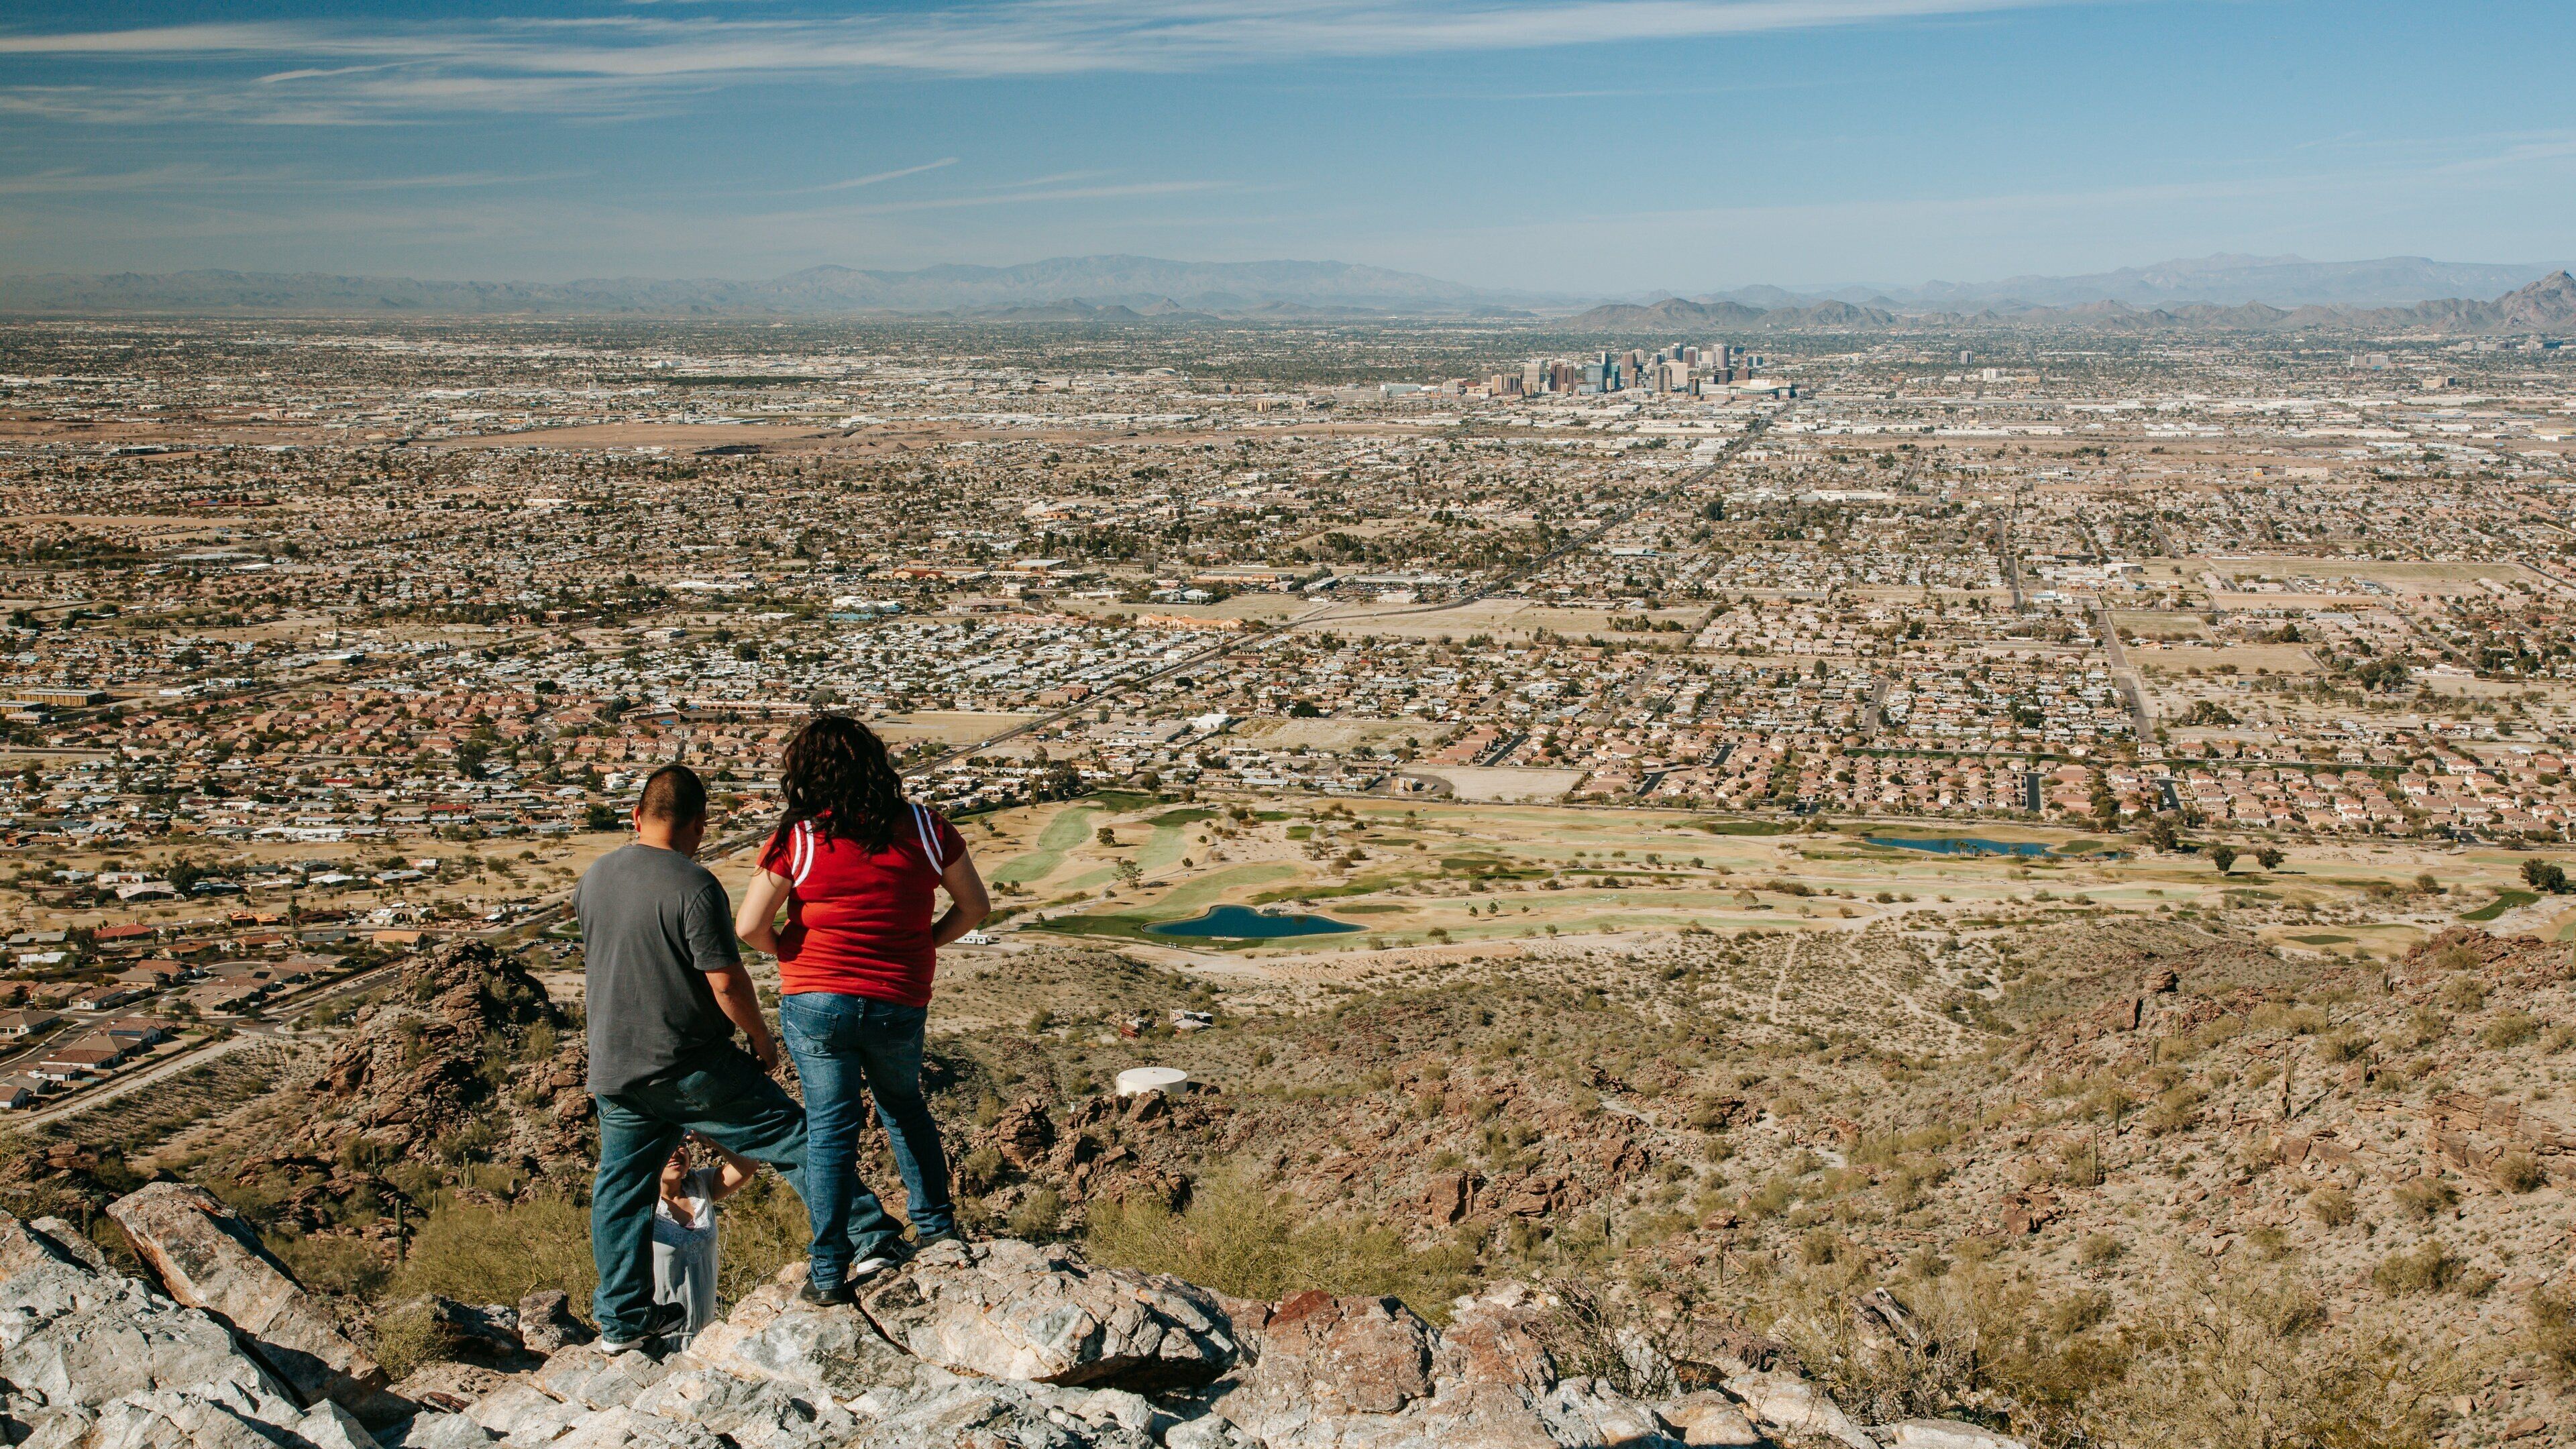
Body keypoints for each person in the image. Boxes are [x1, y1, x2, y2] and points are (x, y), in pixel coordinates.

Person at [579, 763, 906, 1346]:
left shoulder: (595, 877)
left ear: (636, 817)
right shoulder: (693, 885)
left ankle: (623, 1322)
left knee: (621, 1189)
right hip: (687, 1061)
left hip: (613, 1065)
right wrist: (759, 1037)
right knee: (796, 1139)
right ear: (700, 826)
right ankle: (869, 1238)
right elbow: (725, 980)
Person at [737, 714, 989, 1304]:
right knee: (904, 1106)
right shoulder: (928, 829)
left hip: (817, 1000)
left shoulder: (797, 838)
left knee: (830, 1130)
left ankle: (827, 1273)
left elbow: (749, 925)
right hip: (898, 996)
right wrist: (923, 943)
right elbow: (974, 906)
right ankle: (936, 1231)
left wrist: (794, 954)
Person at [651, 1135, 753, 1351]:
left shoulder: (702, 1185)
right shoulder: (641, 1204)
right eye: (666, 1146)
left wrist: (713, 1138)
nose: (675, 1152)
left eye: (680, 1144)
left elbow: (749, 1165)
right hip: (659, 1339)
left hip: (707, 1337)